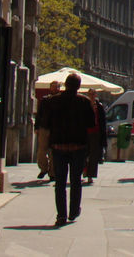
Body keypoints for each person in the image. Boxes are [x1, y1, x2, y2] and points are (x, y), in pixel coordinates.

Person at [43, 72, 95, 226]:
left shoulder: (53, 101)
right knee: (75, 180)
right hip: (78, 146)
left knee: (60, 182)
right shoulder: (84, 102)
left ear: (65, 84)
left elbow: (46, 123)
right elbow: (91, 124)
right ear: (78, 86)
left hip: (58, 145)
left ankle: (61, 215)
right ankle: (73, 211)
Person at [35, 80, 60, 180]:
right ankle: (43, 168)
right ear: (50, 88)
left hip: (56, 129)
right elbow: (39, 114)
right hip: (44, 127)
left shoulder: (61, 100)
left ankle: (52, 172)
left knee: (53, 152)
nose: (54, 88)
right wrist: (37, 127)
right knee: (41, 150)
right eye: (53, 86)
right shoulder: (45, 99)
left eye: (56, 87)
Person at [84, 88, 107, 184]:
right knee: (84, 154)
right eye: (90, 94)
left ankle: (90, 175)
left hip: (96, 132)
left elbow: (103, 121)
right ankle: (85, 170)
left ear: (96, 95)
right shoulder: (84, 105)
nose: (91, 95)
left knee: (93, 155)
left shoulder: (99, 106)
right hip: (85, 132)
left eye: (93, 94)